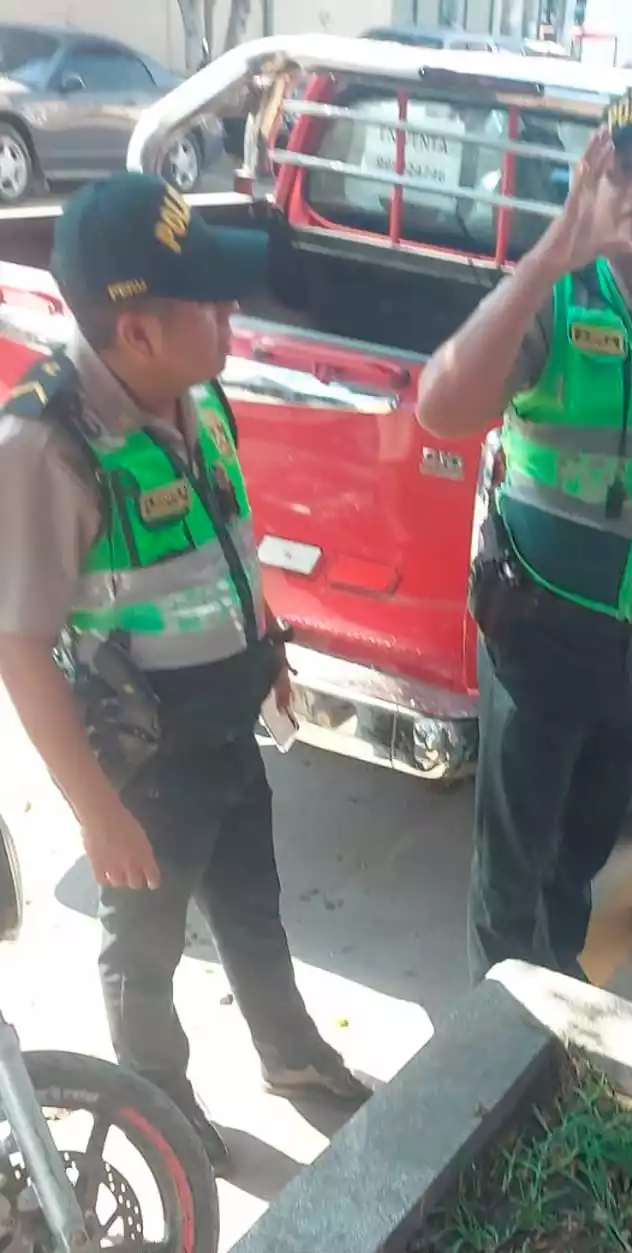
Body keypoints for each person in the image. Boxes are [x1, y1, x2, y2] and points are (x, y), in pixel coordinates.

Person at [0, 173, 370, 1175]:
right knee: (146, 946)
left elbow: (222, 542)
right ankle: (159, 1098)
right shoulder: (48, 443)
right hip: (145, 750)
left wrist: (268, 649)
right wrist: (94, 810)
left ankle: (291, 1053)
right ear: (136, 331)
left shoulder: (192, 396)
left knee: (253, 896)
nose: (230, 313)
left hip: (227, 714)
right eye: (206, 300)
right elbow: (19, 642)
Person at [417, 86, 632, 983]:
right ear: (593, 183)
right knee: (513, 869)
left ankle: (557, 997)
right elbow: (443, 406)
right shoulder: (559, 298)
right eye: (622, 170)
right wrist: (546, 258)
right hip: (539, 634)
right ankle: (494, 1049)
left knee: (581, 859)